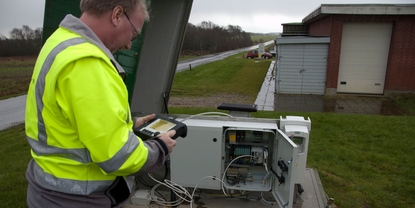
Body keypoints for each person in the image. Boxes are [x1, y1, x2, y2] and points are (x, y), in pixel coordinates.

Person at [24, 0, 177, 207]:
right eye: (133, 34)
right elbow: (119, 156)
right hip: (77, 198)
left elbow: (72, 121)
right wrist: (159, 147)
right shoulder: (87, 62)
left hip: (49, 189)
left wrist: (127, 126)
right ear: (117, 15)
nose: (129, 45)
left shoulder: (60, 42)